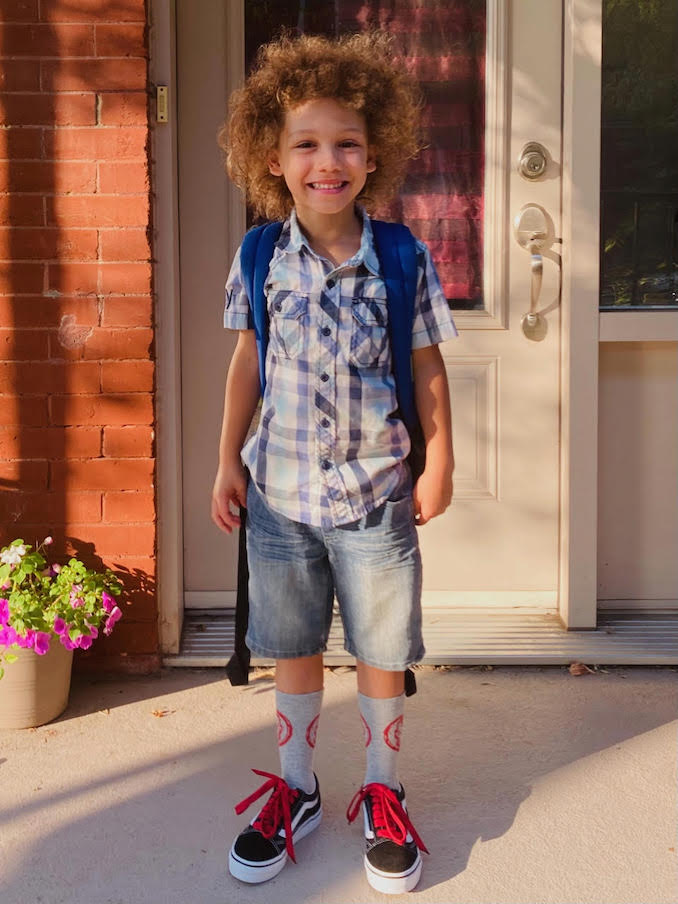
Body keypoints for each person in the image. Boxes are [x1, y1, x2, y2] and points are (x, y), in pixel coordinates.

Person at [211, 31, 457, 895]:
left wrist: (441, 463)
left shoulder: (402, 257)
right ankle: (298, 788)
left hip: (376, 494)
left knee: (383, 647)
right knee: (292, 644)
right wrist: (225, 463)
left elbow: (427, 362)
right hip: (278, 495)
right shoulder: (257, 257)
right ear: (271, 160)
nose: (328, 161)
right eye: (306, 145)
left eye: (346, 142)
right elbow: (248, 362)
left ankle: (383, 793)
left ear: (374, 154)